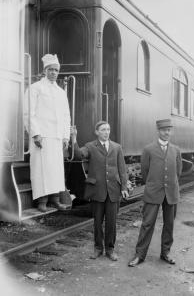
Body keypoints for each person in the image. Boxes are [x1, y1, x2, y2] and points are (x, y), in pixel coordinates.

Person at [71, 121, 129, 261]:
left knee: (112, 222)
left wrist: (124, 188)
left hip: (113, 191)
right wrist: (74, 138)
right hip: (97, 190)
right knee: (97, 222)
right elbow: (79, 155)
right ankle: (98, 248)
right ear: (97, 132)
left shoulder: (117, 147)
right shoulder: (90, 146)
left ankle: (110, 249)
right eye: (103, 130)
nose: (106, 132)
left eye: (108, 129)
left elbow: (122, 170)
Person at [128, 119, 182, 267]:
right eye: (164, 130)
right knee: (147, 224)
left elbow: (178, 172)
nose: (167, 132)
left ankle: (166, 253)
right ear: (158, 131)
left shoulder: (176, 150)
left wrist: (170, 185)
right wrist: (153, 184)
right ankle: (140, 255)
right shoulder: (148, 149)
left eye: (169, 130)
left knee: (169, 224)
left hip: (171, 193)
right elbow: (145, 172)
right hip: (153, 192)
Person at [25, 54, 71, 212]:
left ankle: (55, 200)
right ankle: (42, 202)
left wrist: (66, 136)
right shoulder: (35, 88)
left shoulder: (60, 92)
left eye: (56, 70)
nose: (53, 73)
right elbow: (28, 112)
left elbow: (66, 115)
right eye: (51, 69)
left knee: (56, 170)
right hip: (41, 136)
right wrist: (35, 133)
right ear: (45, 70)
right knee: (41, 169)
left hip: (57, 137)